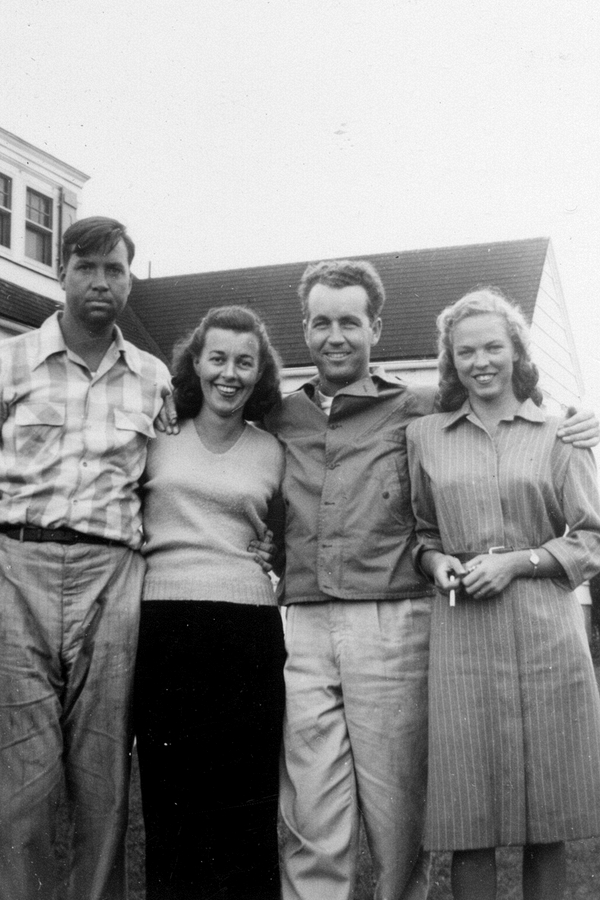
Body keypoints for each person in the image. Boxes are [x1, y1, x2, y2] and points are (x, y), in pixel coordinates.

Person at [262, 259, 599, 900]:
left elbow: (584, 526)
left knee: (477, 821)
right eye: (321, 322)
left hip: (473, 631)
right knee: (370, 817)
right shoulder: (336, 423)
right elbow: (420, 531)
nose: (480, 361)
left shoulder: (490, 424)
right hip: (382, 630)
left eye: (350, 322)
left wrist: (579, 422)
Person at [0, 217, 175, 900]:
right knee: (22, 777)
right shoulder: (12, 362)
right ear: (61, 272)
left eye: (116, 270)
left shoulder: (154, 378)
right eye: (88, 267)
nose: (102, 282)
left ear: (129, 280)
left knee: (103, 774)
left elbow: (166, 480)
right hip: (18, 566)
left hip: (113, 576)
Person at [406, 288, 600, 900]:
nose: (481, 361)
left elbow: (592, 537)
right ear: (450, 360)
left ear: (517, 350)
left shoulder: (559, 431)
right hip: (463, 635)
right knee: (470, 817)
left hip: (547, 635)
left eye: (494, 346)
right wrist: (434, 561)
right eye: (466, 351)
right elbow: (420, 530)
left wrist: (520, 561)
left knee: (549, 819)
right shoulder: (425, 436)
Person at [134, 305, 286, 900]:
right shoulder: (155, 433)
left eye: (244, 362)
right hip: (165, 623)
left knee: (246, 802)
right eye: (217, 358)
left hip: (248, 626)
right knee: (172, 798)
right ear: (195, 363)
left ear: (259, 371)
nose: (230, 373)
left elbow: (285, 535)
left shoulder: (274, 449)